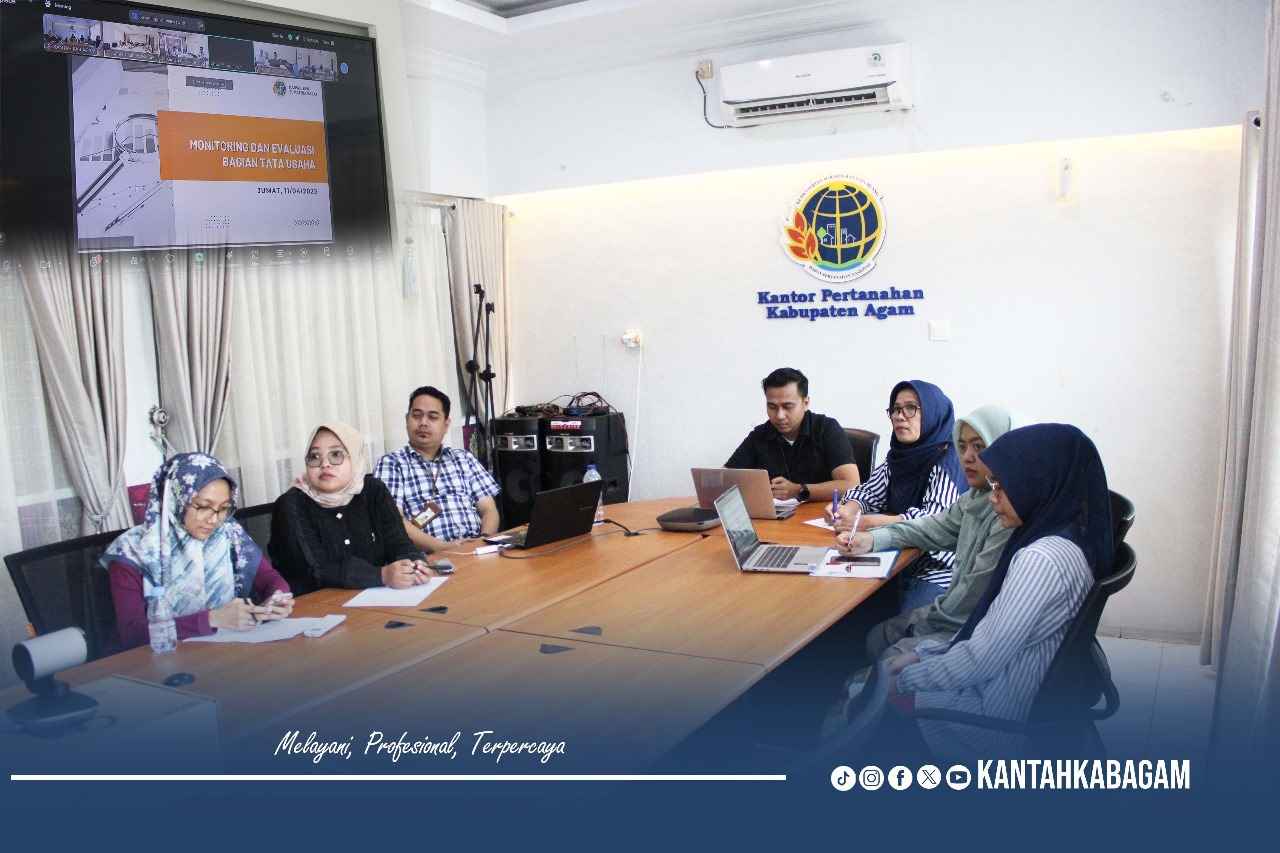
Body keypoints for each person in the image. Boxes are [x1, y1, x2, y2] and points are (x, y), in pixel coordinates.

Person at [882, 424, 1113, 759]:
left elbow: (979, 661)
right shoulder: (1065, 537)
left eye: (1002, 488)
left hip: (988, 716)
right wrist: (924, 655)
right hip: (1003, 691)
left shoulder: (1040, 560)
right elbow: (987, 640)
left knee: (866, 695)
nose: (993, 499)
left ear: (1037, 484)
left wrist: (905, 679)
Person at [838, 405, 1019, 660]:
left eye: (979, 447)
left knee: (887, 651)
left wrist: (924, 623)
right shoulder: (975, 496)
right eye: (963, 446)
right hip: (946, 603)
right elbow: (933, 526)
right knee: (875, 637)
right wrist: (873, 539)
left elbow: (972, 596)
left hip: (970, 626)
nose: (967, 457)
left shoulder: (1006, 511)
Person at [101, 453, 294, 651]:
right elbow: (132, 635)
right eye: (203, 507)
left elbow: (270, 578)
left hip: (227, 651)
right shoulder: (133, 551)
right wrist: (212, 619)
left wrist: (277, 598)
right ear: (175, 499)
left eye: (224, 508)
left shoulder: (228, 533)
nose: (214, 519)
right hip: (162, 659)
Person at [831, 380, 966, 613]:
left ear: (933, 413)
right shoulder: (899, 456)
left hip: (938, 567)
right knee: (842, 601)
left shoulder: (950, 460)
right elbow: (869, 491)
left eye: (911, 408)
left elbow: (934, 521)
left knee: (907, 623)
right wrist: (849, 508)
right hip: (898, 558)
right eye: (895, 409)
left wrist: (871, 522)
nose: (900, 416)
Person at [270, 421, 435, 594]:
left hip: (373, 597)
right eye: (314, 457)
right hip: (315, 602)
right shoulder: (291, 504)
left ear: (355, 458)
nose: (324, 464)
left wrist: (415, 564)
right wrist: (381, 575)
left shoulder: (373, 491)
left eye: (336, 454)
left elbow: (399, 542)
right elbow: (315, 569)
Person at [374, 386, 500, 552]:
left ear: (446, 424)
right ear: (407, 420)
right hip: (428, 557)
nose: (423, 423)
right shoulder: (391, 463)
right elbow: (394, 521)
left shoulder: (463, 458)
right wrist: (444, 547)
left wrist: (483, 541)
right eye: (416, 415)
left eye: (432, 417)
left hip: (476, 549)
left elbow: (488, 509)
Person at [725, 367, 860, 502]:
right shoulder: (759, 435)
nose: (780, 416)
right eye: (772, 407)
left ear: (805, 403)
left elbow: (851, 484)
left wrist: (798, 490)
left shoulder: (827, 428)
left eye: (788, 406)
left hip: (823, 512)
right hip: (775, 514)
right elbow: (724, 479)